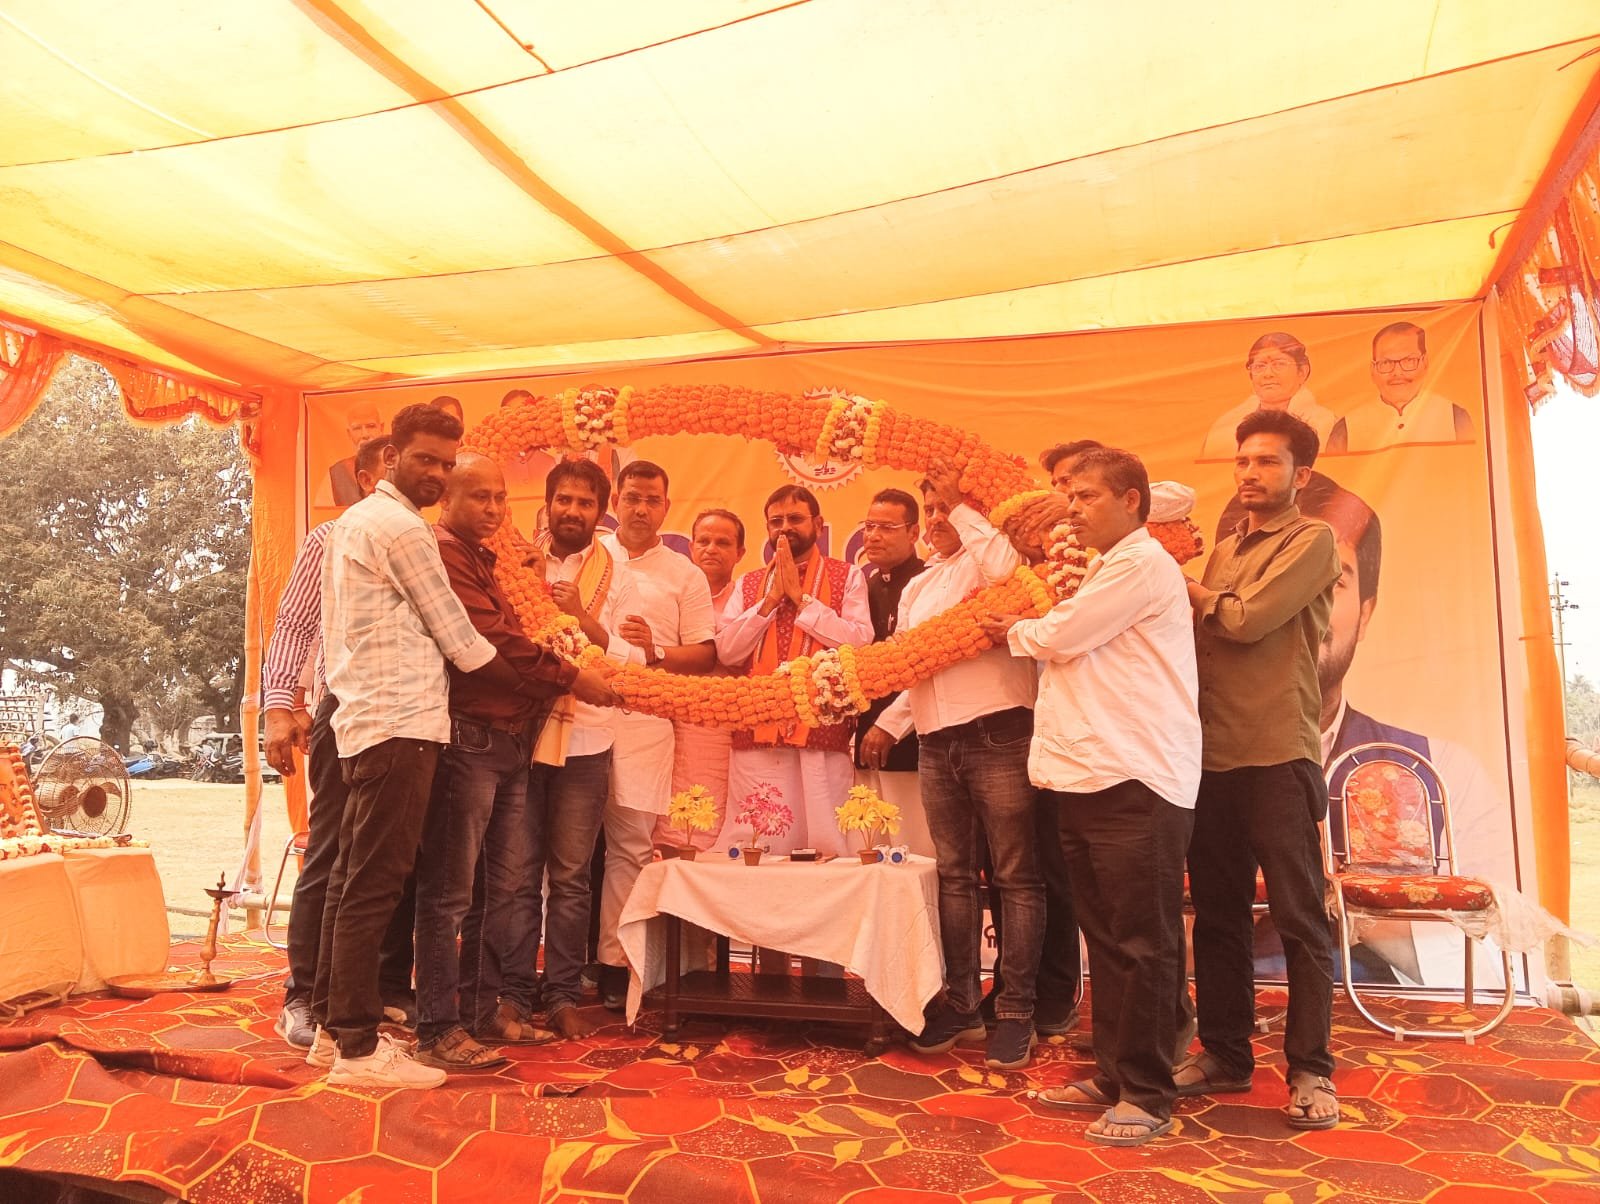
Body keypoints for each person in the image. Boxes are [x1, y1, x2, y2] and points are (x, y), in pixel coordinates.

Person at [312, 403, 538, 1089]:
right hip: (402, 725)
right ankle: (356, 1050)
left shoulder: (354, 521)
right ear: (390, 458)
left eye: (446, 462)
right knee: (374, 887)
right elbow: (462, 641)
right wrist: (544, 683)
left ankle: (330, 1031)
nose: (437, 473)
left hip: (365, 720)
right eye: (425, 460)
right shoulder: (405, 528)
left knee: (352, 882)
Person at [980, 446, 1199, 1146]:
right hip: (1087, 774)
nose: (1072, 510)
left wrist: (1013, 630)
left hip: (1136, 777)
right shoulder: (1109, 565)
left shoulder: (1141, 562)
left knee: (1141, 943)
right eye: (1068, 497)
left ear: (1132, 501)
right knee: (1105, 939)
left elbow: (1065, 635)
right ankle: (1114, 1074)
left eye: (1087, 497)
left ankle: (1148, 1094)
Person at [412, 454, 618, 1071]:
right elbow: (495, 644)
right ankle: (437, 1027)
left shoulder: (491, 560)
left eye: (501, 498)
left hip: (509, 740)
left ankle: (482, 1013)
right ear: (446, 499)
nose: (494, 509)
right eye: (480, 497)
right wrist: (571, 678)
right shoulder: (446, 554)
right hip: (471, 737)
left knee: (496, 888)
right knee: (453, 892)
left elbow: (524, 635)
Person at [1177, 408, 1341, 1131]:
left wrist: (1190, 591)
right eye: (1243, 461)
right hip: (1209, 757)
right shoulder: (1222, 550)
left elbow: (1244, 621)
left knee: (1301, 919)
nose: (1250, 472)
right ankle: (1225, 1055)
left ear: (1301, 476)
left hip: (1278, 752)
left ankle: (1311, 1070)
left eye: (1267, 461)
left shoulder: (1313, 539)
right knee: (1216, 916)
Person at [863, 462, 1043, 1071]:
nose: (939, 520)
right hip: (937, 741)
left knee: (1016, 877)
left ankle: (1015, 1011)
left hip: (999, 732)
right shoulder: (918, 586)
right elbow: (917, 666)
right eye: (933, 511)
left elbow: (1007, 571)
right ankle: (964, 1004)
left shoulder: (993, 560)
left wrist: (964, 507)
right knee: (956, 876)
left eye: (946, 509)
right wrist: (890, 725)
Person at [477, 458, 641, 1042]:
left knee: (571, 877)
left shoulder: (620, 572)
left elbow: (628, 657)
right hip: (523, 734)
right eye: (564, 500)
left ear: (602, 512)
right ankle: (516, 994)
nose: (573, 511)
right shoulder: (513, 561)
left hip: (590, 737)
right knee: (518, 875)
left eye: (585, 503)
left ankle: (565, 993)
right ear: (546, 505)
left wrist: (578, 617)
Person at [263, 434, 407, 1050]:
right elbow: (294, 625)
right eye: (388, 470)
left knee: (393, 861)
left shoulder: (421, 539)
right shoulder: (328, 538)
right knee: (329, 852)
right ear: (365, 477)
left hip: (408, 720)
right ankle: (302, 994)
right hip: (343, 713)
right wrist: (279, 707)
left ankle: (381, 990)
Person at [594, 461, 716, 1011]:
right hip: (577, 715)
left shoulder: (684, 574)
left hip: (645, 723)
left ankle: (615, 964)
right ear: (615, 501)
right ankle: (561, 967)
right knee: (565, 852)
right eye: (632, 497)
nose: (641, 509)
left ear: (667, 507)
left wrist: (655, 651)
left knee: (629, 848)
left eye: (652, 500)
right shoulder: (591, 558)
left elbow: (705, 655)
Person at [716, 485, 873, 856]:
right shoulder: (748, 584)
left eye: (795, 519)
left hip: (821, 733)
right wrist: (769, 602)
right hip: (757, 734)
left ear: (817, 525)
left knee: (826, 841)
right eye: (776, 521)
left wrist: (802, 600)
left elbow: (859, 643)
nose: (784, 527)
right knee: (757, 844)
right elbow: (728, 651)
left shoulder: (847, 576)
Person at [653, 508, 747, 855]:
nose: (711, 549)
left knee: (716, 814)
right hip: (672, 717)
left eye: (723, 542)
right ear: (691, 547)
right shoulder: (671, 593)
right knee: (672, 813)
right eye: (703, 541)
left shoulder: (747, 599)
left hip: (727, 722)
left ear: (740, 553)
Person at [853, 488, 927, 852]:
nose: (873, 536)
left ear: (913, 533)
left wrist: (890, 726)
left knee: (915, 848)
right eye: (869, 526)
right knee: (868, 848)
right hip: (866, 737)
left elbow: (926, 665)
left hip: (909, 739)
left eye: (886, 527)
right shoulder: (866, 586)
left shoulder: (928, 583)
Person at [1328, 322, 1474, 453]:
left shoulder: (1454, 417)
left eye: (1409, 360)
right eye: (1386, 363)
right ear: (1373, 369)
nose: (1397, 373)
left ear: (1425, 363)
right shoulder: (1347, 428)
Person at [1199, 332, 1338, 461]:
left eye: (1279, 364)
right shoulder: (1226, 426)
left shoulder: (1325, 423)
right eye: (1260, 366)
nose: (1268, 374)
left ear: (1302, 371)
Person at [320, 402, 385, 506]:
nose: (365, 434)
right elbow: (323, 513)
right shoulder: (335, 474)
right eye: (357, 428)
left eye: (371, 426)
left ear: (381, 428)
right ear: (349, 433)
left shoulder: (397, 469)